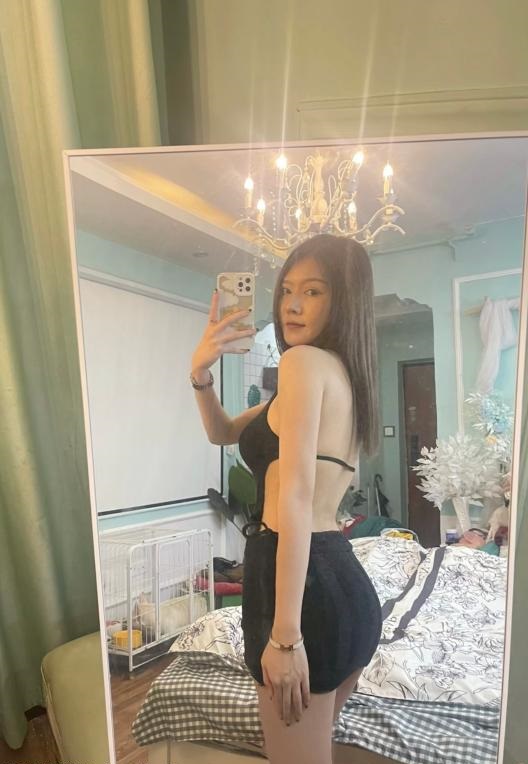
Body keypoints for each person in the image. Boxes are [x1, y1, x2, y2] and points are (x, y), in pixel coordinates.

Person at [190, 234, 382, 764]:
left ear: (344, 299)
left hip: (300, 591)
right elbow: (222, 431)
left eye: (313, 291)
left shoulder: (302, 365)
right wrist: (201, 372)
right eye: (287, 291)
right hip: (343, 584)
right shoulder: (342, 376)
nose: (292, 305)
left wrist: (285, 639)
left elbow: (296, 496)